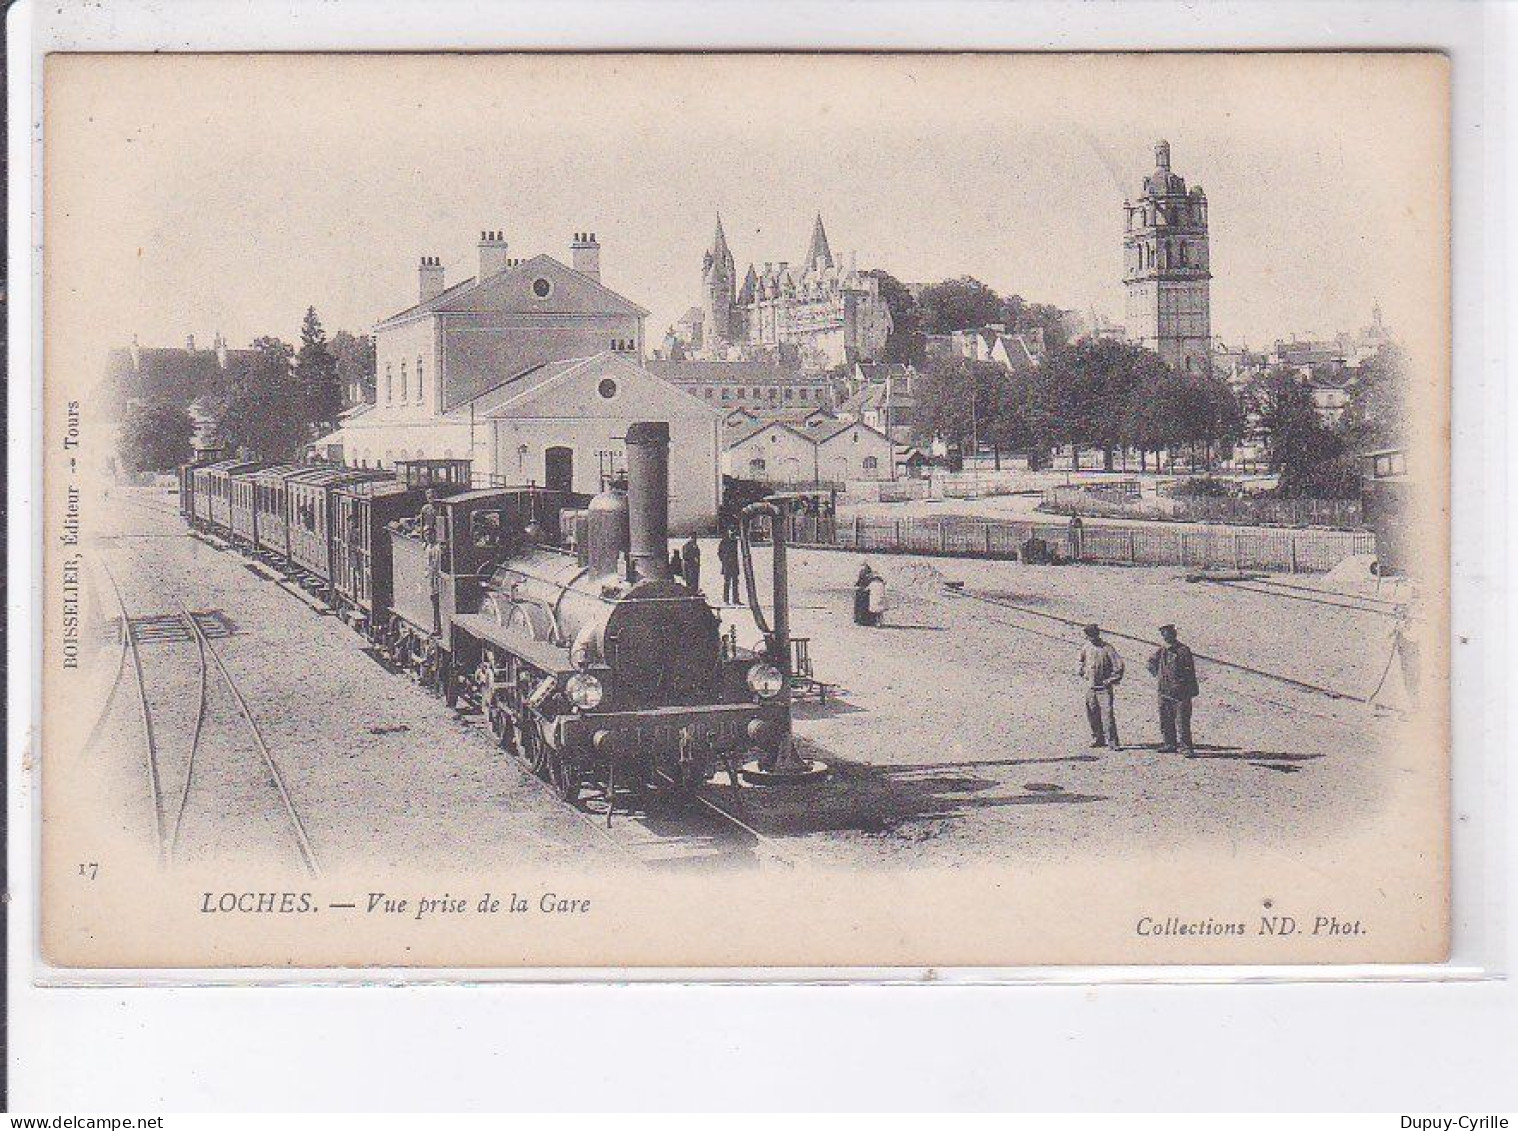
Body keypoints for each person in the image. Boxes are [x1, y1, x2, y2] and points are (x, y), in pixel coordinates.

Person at [1147, 624, 1200, 754]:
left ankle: (1186, 747)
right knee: (1165, 719)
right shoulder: (1161, 650)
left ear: (1174, 635)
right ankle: (1169, 744)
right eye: (1164, 635)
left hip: (1181, 693)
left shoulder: (1183, 650)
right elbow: (1150, 663)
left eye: (1169, 634)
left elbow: (1190, 671)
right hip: (1164, 691)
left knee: (1182, 720)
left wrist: (1189, 689)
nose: (1166, 637)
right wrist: (1159, 676)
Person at [1078, 623, 1124, 750]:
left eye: (1093, 635)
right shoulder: (1086, 647)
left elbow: (1119, 666)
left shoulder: (1108, 648)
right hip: (1091, 687)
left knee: (1107, 715)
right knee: (1092, 713)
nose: (1091, 638)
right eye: (1089, 636)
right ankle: (1098, 738)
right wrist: (1083, 672)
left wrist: (1110, 680)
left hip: (1104, 689)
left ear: (1097, 634)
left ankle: (1113, 742)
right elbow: (1081, 662)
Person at [854, 561, 884, 626]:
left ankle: (863, 620)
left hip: (867, 592)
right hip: (869, 592)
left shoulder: (871, 580)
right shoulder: (876, 581)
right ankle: (870, 620)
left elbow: (859, 583)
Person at [718, 527, 742, 605]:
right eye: (731, 531)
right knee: (727, 583)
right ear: (728, 531)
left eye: (733, 531)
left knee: (735, 583)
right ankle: (726, 600)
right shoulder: (724, 541)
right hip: (727, 565)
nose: (732, 532)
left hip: (734, 565)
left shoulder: (735, 541)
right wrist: (724, 561)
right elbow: (719, 552)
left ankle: (736, 600)